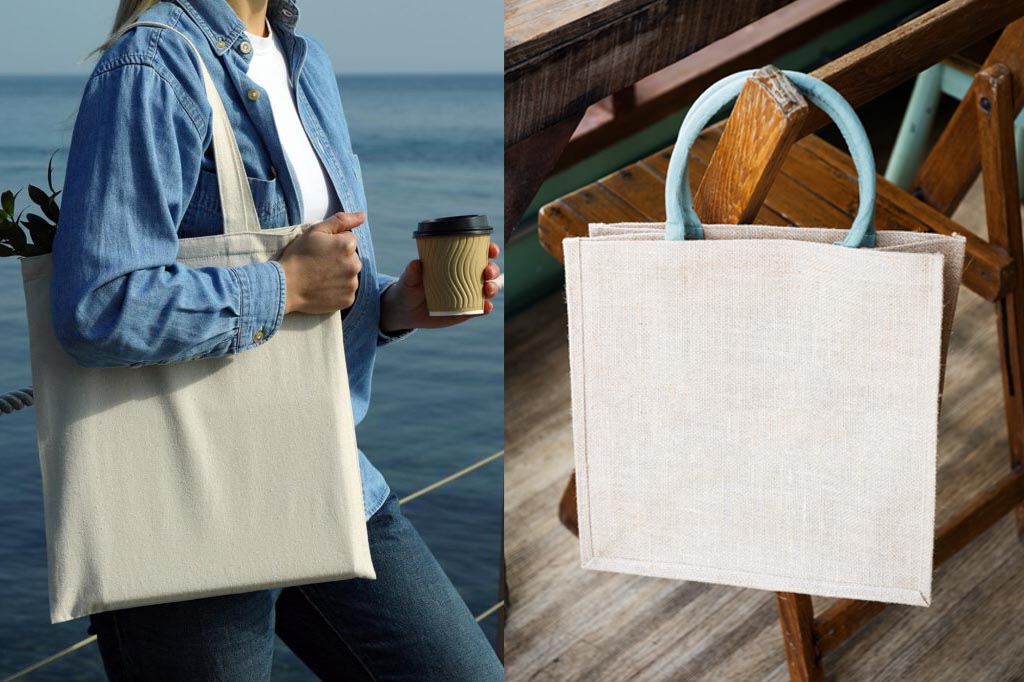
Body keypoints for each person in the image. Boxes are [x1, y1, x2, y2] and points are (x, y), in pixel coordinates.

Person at [49, 1, 503, 679]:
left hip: (324, 472)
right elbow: (99, 305)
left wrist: (392, 305)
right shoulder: (152, 62)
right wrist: (283, 288)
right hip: (185, 508)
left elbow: (309, 277)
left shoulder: (304, 62)